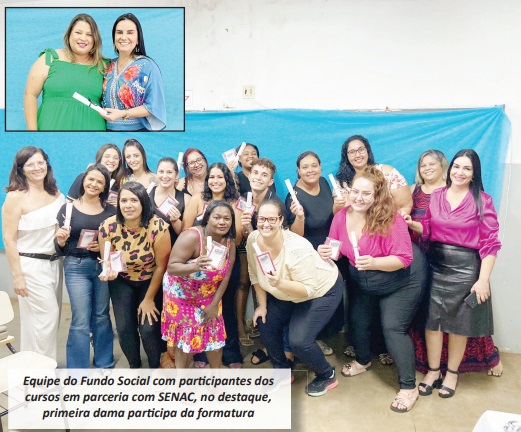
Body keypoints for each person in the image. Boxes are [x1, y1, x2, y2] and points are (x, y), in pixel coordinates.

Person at [322, 166, 425, 412]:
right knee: (357, 320)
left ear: (377, 195)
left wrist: (375, 263)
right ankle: (363, 361)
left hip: (402, 279)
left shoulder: (392, 218)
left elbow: (403, 258)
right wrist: (324, 252)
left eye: (366, 193)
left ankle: (409, 388)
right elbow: (335, 248)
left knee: (392, 327)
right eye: (355, 191)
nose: (359, 198)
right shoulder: (341, 216)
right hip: (365, 278)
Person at [406, 149, 501, 398]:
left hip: (466, 268)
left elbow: (490, 243)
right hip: (435, 263)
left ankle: (452, 373)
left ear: (474, 173)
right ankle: (433, 371)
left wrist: (483, 280)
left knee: (458, 324)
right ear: (450, 169)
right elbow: (428, 229)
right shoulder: (437, 195)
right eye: (456, 167)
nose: (460, 172)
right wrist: (411, 223)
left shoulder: (483, 200)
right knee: (432, 322)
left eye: (467, 168)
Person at [247, 200, 343, 397]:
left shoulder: (297, 248)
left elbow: (308, 290)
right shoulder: (253, 240)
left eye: (271, 219)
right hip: (288, 291)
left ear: (281, 220)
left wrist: (279, 283)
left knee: (299, 341)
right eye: (262, 219)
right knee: (265, 322)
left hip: (321, 289)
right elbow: (254, 274)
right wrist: (262, 305)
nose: (265, 224)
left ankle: (327, 374)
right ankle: (282, 371)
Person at [335, 134, 413, 365]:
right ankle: (361, 348)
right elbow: (339, 217)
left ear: (368, 150)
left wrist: (392, 223)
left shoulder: (386, 172)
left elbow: (404, 204)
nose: (357, 154)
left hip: (385, 246)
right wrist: (339, 206)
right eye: (351, 151)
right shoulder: (342, 181)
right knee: (359, 304)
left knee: (386, 307)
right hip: (355, 250)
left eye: (361, 149)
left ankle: (384, 347)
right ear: (346, 156)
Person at [2, 146, 65, 360]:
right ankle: (44, 374)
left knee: (44, 321)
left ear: (47, 164)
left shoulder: (55, 192)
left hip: (54, 263)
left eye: (41, 162)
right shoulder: (15, 197)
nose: (37, 168)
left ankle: (35, 366)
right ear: (21, 169)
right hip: (30, 267)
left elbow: (59, 229)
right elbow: (9, 240)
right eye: (30, 164)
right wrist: (17, 277)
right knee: (47, 318)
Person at [99, 182, 170, 368]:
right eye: (124, 201)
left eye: (134, 200)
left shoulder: (157, 226)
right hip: (122, 280)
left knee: (148, 328)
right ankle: (135, 365)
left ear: (143, 202)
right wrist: (108, 272)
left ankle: (154, 367)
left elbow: (162, 266)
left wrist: (148, 299)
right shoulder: (108, 226)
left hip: (150, 279)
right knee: (125, 328)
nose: (128, 205)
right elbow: (107, 260)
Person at [182, 162, 243, 368]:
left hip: (225, 264)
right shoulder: (197, 199)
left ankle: (231, 354)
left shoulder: (235, 203)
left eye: (220, 177)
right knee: (199, 310)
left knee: (225, 309)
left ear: (227, 180)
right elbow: (186, 229)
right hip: (199, 267)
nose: (215, 181)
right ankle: (200, 355)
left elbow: (237, 239)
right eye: (212, 177)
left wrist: (242, 225)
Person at [162, 200, 237, 368]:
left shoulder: (229, 242)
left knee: (215, 339)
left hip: (208, 294)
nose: (222, 222)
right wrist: (195, 266)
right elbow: (172, 268)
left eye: (227, 218)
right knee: (186, 342)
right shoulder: (191, 237)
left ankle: (216, 378)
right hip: (181, 295)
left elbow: (226, 275)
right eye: (217, 217)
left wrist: (215, 303)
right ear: (207, 218)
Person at [55, 164, 115, 368]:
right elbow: (60, 247)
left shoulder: (112, 212)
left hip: (102, 266)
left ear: (105, 186)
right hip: (76, 267)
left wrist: (102, 246)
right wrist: (60, 240)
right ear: (83, 181)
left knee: (102, 315)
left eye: (100, 181)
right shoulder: (67, 209)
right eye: (91, 179)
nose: (94, 184)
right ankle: (77, 369)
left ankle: (104, 361)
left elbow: (117, 243)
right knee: (80, 319)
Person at [285, 151, 338, 356]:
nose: (310, 170)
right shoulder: (294, 196)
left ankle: (326, 335)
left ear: (320, 167)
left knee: (331, 297)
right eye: (305, 167)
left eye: (314, 165)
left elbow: (331, 216)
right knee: (314, 300)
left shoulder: (324, 183)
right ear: (298, 171)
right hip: (309, 256)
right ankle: (310, 339)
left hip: (331, 251)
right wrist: (300, 217)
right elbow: (294, 235)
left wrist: (338, 207)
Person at [24, 14, 107, 131]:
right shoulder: (50, 58)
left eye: (89, 34)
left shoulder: (104, 66)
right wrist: (32, 132)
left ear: (95, 39)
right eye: (78, 32)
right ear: (69, 35)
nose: (83, 38)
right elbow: (30, 95)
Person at [238, 158, 284, 357]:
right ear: (249, 175)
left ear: (271, 181)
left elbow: (276, 239)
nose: (258, 177)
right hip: (248, 250)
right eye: (255, 173)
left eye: (264, 175)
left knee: (271, 294)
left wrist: (250, 228)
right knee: (248, 287)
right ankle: (251, 332)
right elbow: (243, 235)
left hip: (271, 254)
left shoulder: (275, 204)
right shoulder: (243, 199)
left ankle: (274, 343)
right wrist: (244, 225)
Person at [100, 13, 166, 131]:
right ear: (114, 38)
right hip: (107, 130)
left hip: (138, 131)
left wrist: (122, 114)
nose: (124, 37)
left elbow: (154, 106)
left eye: (130, 33)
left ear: (138, 39)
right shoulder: (107, 66)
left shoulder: (147, 66)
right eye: (119, 32)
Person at [150, 157, 186, 247]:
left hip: (173, 249)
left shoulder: (186, 199)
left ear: (176, 175)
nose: (165, 176)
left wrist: (175, 221)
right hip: (147, 248)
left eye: (169, 172)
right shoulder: (146, 194)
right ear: (156, 173)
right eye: (161, 172)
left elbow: (185, 235)